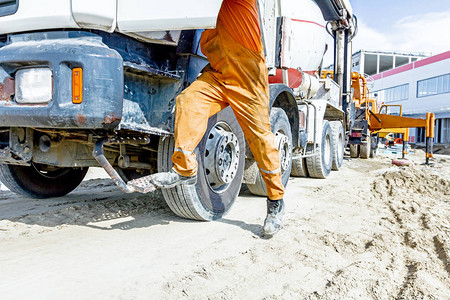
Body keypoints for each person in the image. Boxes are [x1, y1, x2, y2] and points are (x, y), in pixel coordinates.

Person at [151, 0, 285, 235]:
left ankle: (276, 201)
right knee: (188, 101)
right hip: (218, 71)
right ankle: (185, 169)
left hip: (247, 74)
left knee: (261, 139)